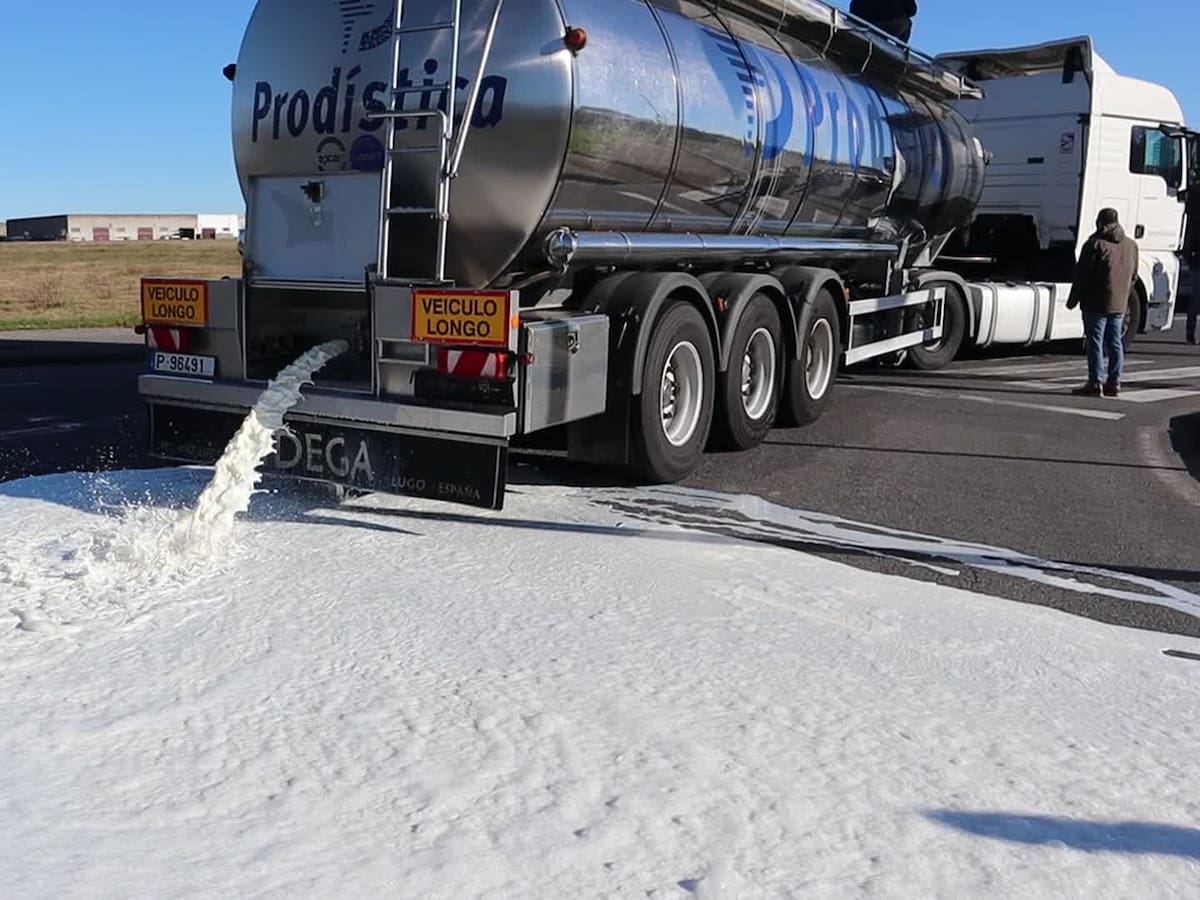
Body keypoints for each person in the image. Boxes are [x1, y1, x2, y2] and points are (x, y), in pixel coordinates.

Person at [1066, 208, 1140, 397]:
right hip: (1119, 303)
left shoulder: (1095, 244)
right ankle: (1114, 382)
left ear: (1100, 223)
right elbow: (1134, 276)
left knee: (1095, 343)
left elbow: (1082, 275)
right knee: (1115, 342)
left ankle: (1095, 383)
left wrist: (1072, 300)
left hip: (1096, 302)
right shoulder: (1131, 245)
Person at [849, 0, 918, 43]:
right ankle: (901, 52)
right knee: (907, 22)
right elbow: (912, 10)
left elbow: (853, 7)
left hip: (862, 24)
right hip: (886, 25)